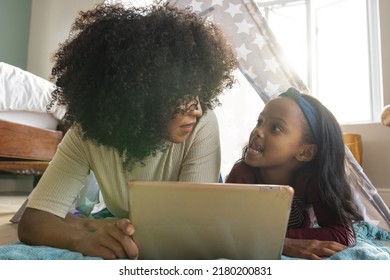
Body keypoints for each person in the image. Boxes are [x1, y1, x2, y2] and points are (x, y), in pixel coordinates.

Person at [18, 3, 237, 260]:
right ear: (139, 96)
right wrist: (83, 237)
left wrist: (86, 225)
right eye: (182, 95)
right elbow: (33, 222)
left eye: (198, 91)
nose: (198, 109)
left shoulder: (202, 124)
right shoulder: (87, 133)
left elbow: (189, 229)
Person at [225, 87, 364, 259]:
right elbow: (225, 230)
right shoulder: (241, 174)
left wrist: (278, 238)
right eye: (259, 121)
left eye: (275, 128)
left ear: (305, 152)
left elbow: (343, 235)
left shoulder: (312, 179)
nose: (258, 131)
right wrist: (281, 243)